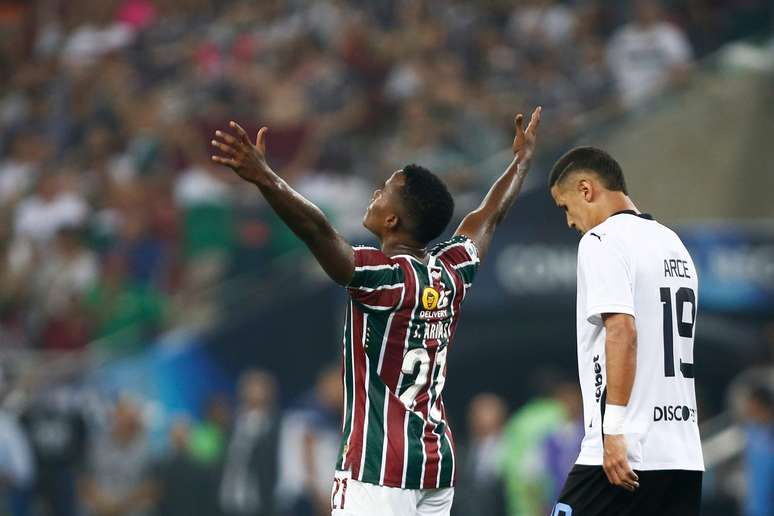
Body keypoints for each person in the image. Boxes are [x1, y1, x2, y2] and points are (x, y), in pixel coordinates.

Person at [210, 105, 541, 516]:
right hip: (436, 465)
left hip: (377, 469)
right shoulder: (452, 272)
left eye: (383, 190)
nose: (374, 193)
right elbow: (487, 218)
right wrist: (521, 163)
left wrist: (265, 178)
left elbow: (316, 230)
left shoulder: (382, 278)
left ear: (392, 219)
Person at [548, 147, 704, 515]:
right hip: (683, 457)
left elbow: (622, 332)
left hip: (625, 451)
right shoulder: (674, 244)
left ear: (586, 189)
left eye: (565, 207)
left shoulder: (601, 241)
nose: (569, 222)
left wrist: (612, 432)